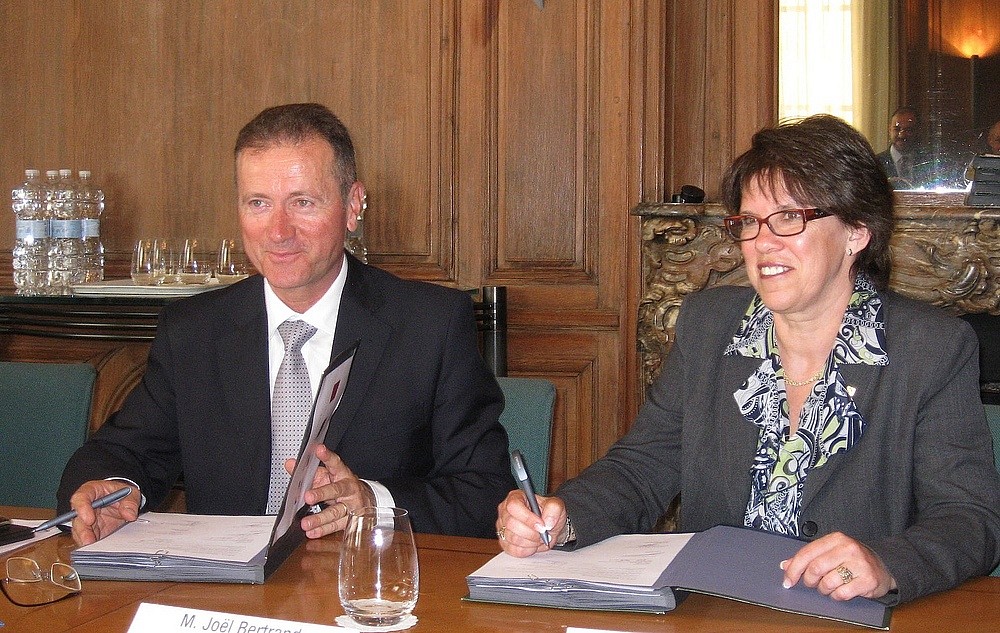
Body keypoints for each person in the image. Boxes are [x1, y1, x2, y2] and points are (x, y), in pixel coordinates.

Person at [496, 114, 1000, 605]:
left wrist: (886, 563)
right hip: (711, 607)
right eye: (749, 222)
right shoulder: (710, 325)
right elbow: (643, 466)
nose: (762, 243)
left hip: (844, 616)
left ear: (857, 232)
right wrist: (564, 517)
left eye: (788, 218)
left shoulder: (930, 347)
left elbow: (970, 517)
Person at [58, 103, 514, 544]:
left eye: (303, 203)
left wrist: (375, 502)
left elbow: (485, 490)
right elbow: (123, 452)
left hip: (362, 595)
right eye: (258, 203)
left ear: (353, 206)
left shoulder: (429, 326)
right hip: (226, 602)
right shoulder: (195, 331)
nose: (278, 231)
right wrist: (112, 491)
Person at [875, 106, 921, 188]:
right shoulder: (876, 163)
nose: (902, 135)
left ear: (917, 131)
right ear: (889, 129)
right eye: (897, 129)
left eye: (908, 130)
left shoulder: (928, 162)